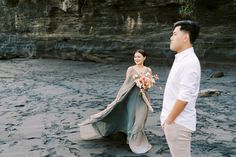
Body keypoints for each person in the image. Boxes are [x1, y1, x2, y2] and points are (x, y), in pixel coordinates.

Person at [79, 49, 155, 154]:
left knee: (140, 119)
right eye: (135, 57)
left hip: (143, 98)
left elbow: (149, 85)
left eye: (139, 57)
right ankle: (130, 137)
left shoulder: (148, 70)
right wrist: (118, 98)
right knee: (131, 118)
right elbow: (126, 85)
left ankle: (136, 138)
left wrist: (145, 85)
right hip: (131, 98)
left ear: (144, 58)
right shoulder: (130, 69)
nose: (136, 59)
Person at [160, 20, 201, 157]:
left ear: (185, 37)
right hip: (175, 122)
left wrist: (169, 121)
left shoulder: (189, 62)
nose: (171, 37)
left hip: (178, 123)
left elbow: (184, 97)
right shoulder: (182, 59)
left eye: (174, 34)